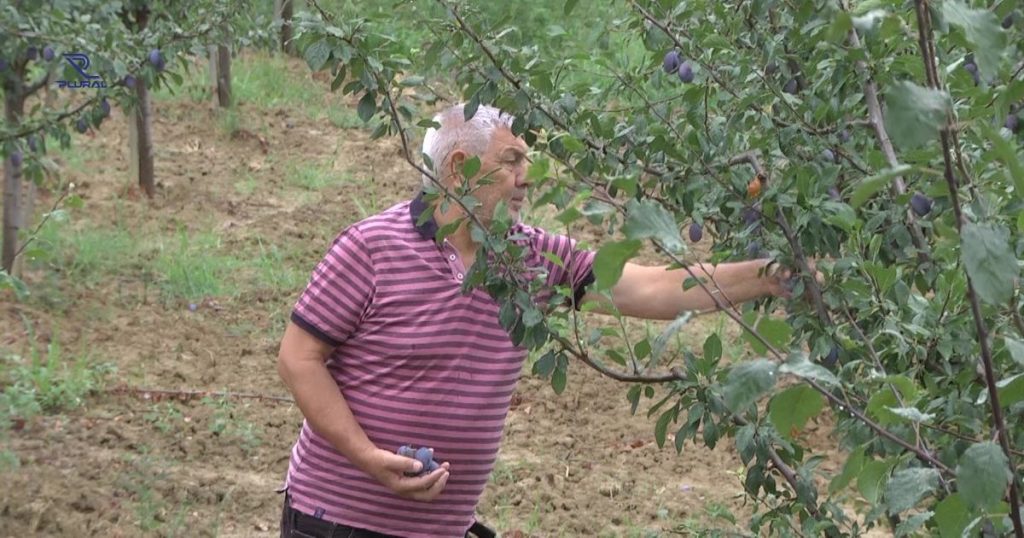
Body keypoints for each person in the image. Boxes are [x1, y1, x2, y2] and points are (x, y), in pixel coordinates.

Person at [275, 103, 805, 538]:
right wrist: (367, 457)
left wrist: (768, 275)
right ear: (459, 168)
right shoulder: (371, 247)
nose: (527, 176)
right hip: (337, 523)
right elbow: (299, 358)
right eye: (512, 161)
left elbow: (653, 286)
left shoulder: (533, 258)